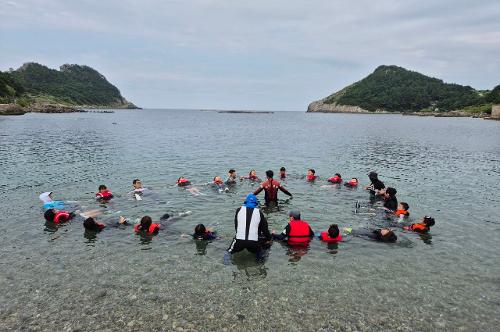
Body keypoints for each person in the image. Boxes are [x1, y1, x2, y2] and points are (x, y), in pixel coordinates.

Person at [225, 194, 272, 262]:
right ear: (256, 203)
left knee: (228, 252)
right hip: (253, 243)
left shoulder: (239, 210)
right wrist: (269, 239)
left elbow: (236, 226)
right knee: (260, 253)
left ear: (246, 202)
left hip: (239, 241)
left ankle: (226, 264)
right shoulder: (259, 212)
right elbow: (265, 229)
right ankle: (259, 263)